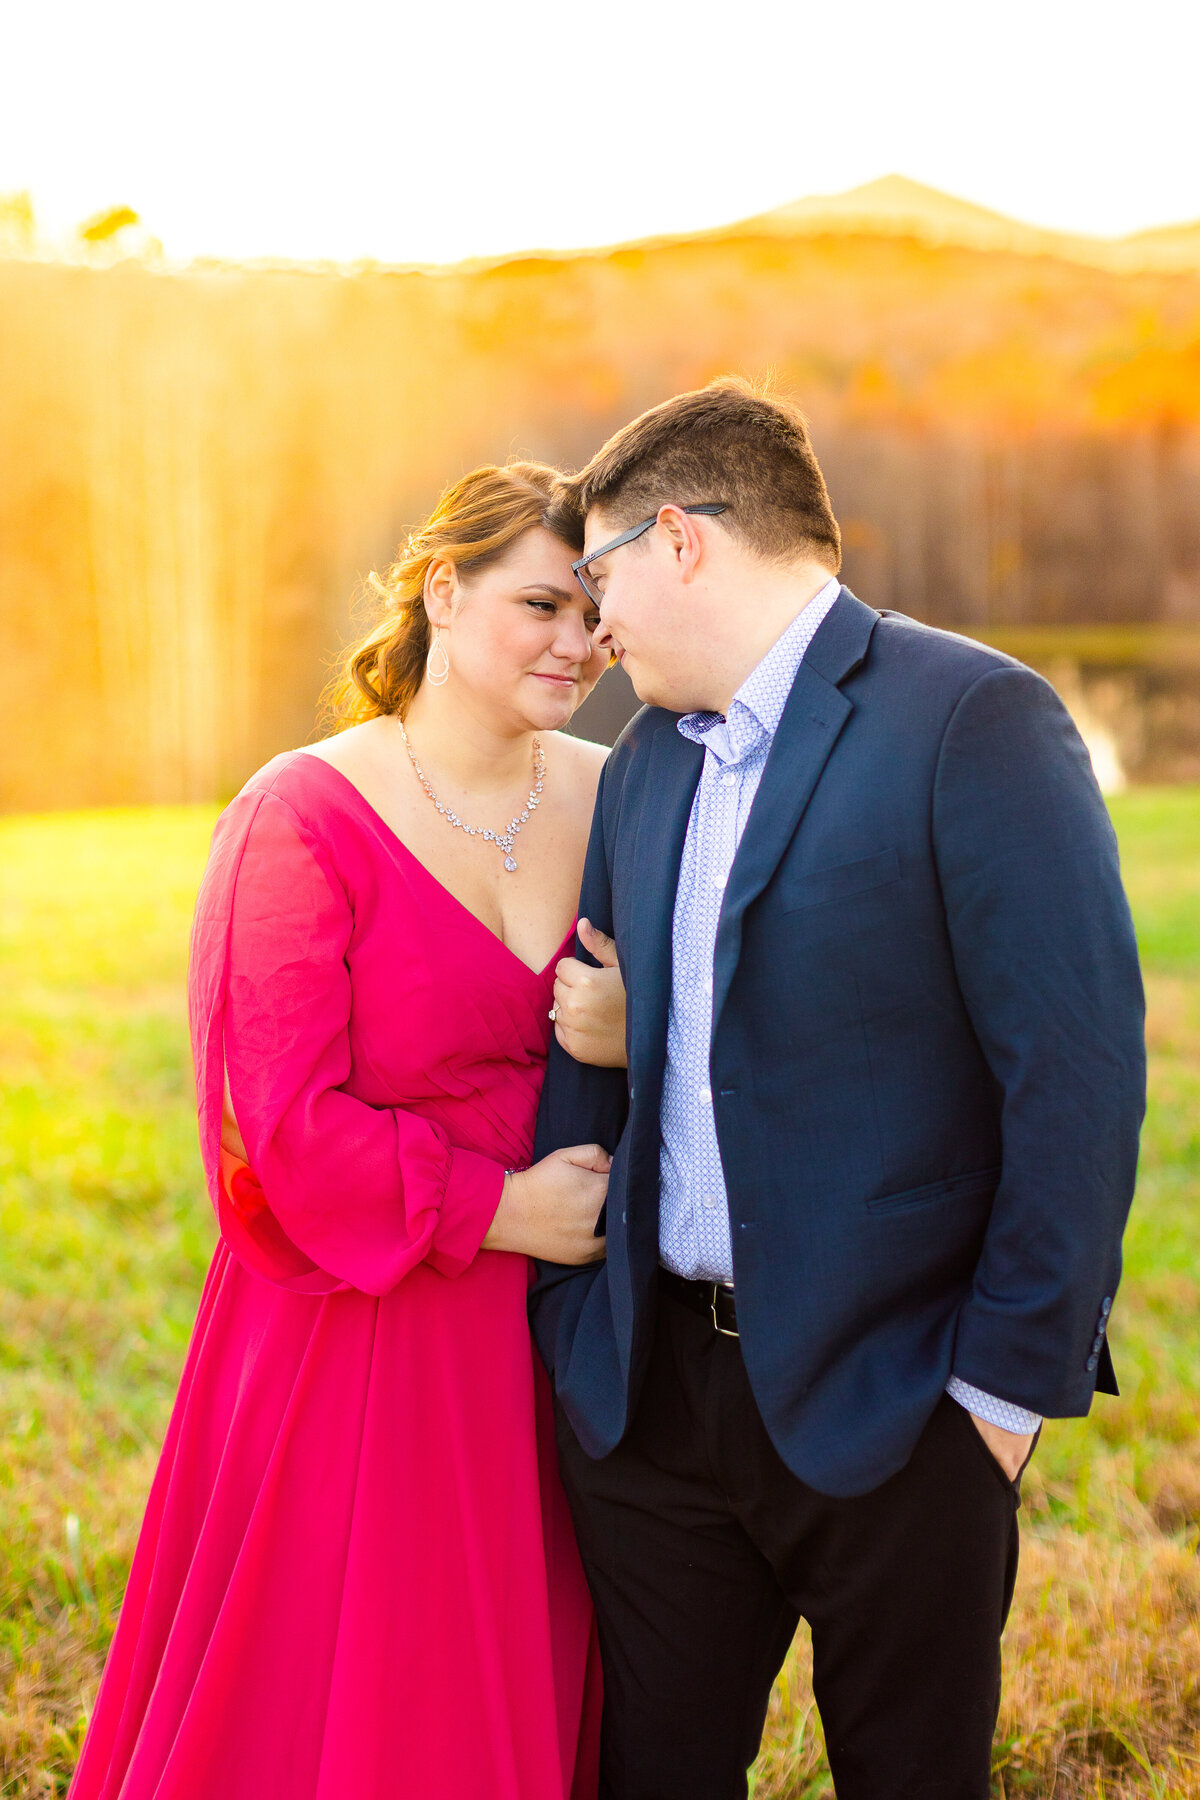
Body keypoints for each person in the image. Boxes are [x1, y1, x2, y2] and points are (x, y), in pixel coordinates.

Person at [532, 379, 1146, 1799]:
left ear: (680, 540)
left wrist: (998, 1402)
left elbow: (1076, 1075)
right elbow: (598, 1040)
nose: (595, 624)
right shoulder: (642, 766)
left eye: (602, 572)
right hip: (655, 1405)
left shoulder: (973, 718)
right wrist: (579, 1329)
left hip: (903, 1401)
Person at [69, 462, 628, 1800]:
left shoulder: (626, 793)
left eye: (598, 612)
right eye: (542, 603)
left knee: (527, 1667)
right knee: (361, 1685)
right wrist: (498, 1211)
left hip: (565, 1341)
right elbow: (281, 1126)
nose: (580, 644)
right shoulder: (301, 815)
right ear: (443, 589)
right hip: (361, 1326)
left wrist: (629, 1037)